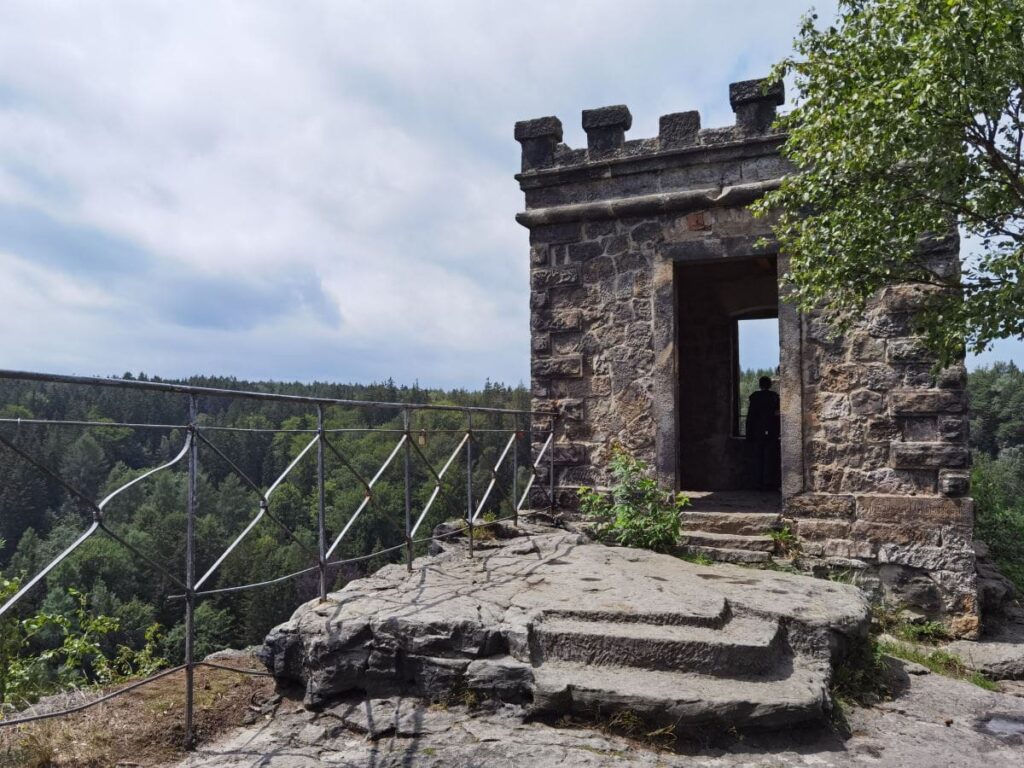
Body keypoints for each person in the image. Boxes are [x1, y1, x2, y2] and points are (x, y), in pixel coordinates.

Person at [745, 376, 780, 490]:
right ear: (770, 385)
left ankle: (758, 482)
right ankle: (768, 483)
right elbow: (778, 415)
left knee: (758, 457)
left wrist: (748, 433)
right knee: (770, 457)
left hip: (757, 431)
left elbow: (750, 417)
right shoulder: (774, 397)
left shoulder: (755, 397)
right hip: (772, 431)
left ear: (760, 385)